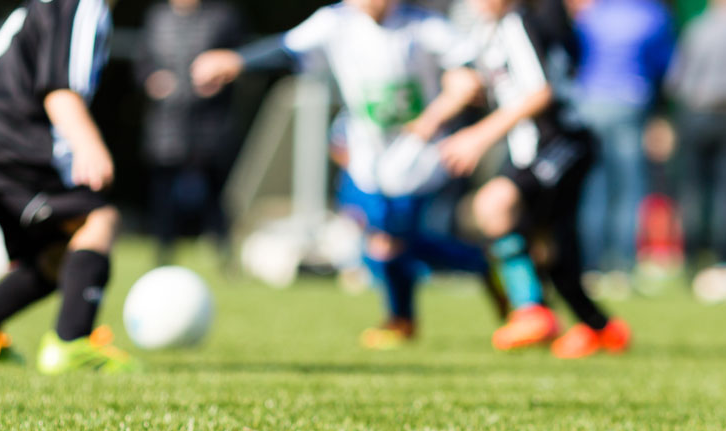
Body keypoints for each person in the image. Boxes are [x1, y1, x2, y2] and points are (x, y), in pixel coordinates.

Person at [192, 0, 501, 350]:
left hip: (418, 156)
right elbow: (288, 50)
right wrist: (236, 61)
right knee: (381, 238)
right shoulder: (334, 23)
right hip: (365, 157)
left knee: (389, 240)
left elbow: (468, 67)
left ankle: (405, 317)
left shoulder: (421, 25)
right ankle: (476, 266)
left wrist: (454, 93)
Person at [414, 0, 632, 358]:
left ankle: (532, 310)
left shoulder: (520, 23)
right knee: (547, 244)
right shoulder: (488, 30)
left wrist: (478, 136)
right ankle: (599, 328)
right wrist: (436, 113)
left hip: (560, 142)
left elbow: (539, 93)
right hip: (533, 149)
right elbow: (470, 77)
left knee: (494, 205)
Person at [0, 0, 138, 374]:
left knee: (58, 253)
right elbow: (59, 88)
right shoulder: (83, 4)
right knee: (99, 219)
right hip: (3, 139)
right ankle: (72, 343)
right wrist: (89, 145)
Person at [573, 0, 675, 287]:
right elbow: (664, 67)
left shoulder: (591, 14)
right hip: (631, 103)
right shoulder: (652, 15)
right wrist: (662, 116)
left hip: (589, 104)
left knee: (594, 188)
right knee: (629, 188)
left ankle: (590, 264)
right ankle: (621, 265)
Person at [137, 0, 243, 265]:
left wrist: (220, 79)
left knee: (216, 195)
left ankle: (223, 254)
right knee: (163, 196)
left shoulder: (222, 16)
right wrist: (152, 79)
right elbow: (143, 61)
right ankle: (162, 256)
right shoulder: (157, 16)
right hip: (166, 123)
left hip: (211, 123)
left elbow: (238, 58)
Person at [666, 0, 726, 266]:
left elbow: (677, 81)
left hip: (699, 112)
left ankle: (692, 256)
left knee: (693, 189)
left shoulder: (699, 29)